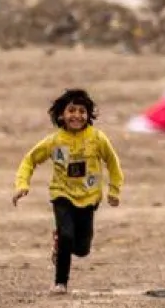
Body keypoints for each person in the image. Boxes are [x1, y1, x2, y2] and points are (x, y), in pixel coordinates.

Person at [13, 88, 124, 293]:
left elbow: (113, 163)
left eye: (82, 111)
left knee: (82, 249)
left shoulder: (97, 138)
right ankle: (60, 282)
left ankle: (61, 245)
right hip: (62, 194)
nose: (77, 115)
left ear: (89, 115)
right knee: (66, 235)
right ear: (61, 115)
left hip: (89, 197)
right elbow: (29, 160)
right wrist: (22, 185)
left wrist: (114, 190)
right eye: (71, 110)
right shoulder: (54, 141)